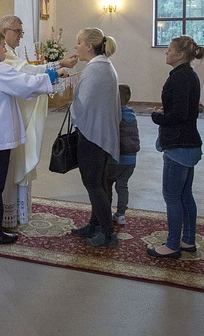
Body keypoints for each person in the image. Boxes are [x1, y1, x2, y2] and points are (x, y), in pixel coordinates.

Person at [0, 15, 78, 228]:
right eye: (2, 46)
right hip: (0, 136)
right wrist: (54, 75)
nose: (5, 50)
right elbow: (26, 83)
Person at [146, 36, 204, 259]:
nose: (166, 53)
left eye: (169, 50)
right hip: (188, 141)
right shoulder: (188, 74)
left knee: (172, 196)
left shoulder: (180, 77)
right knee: (185, 194)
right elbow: (185, 109)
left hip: (179, 144)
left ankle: (172, 245)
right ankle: (187, 240)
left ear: (180, 55)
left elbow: (180, 114)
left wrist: (157, 117)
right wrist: (166, 111)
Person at [70, 27, 121, 248]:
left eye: (79, 43)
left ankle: (107, 233)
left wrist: (73, 111)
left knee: (93, 184)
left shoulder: (94, 69)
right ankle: (95, 224)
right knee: (98, 182)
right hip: (100, 132)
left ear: (89, 46)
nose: (76, 47)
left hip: (91, 134)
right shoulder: (104, 66)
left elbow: (83, 104)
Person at [104, 83, 140, 226]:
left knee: (107, 183)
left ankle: (105, 212)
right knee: (122, 186)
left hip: (115, 159)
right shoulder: (132, 115)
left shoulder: (114, 116)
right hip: (131, 160)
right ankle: (121, 215)